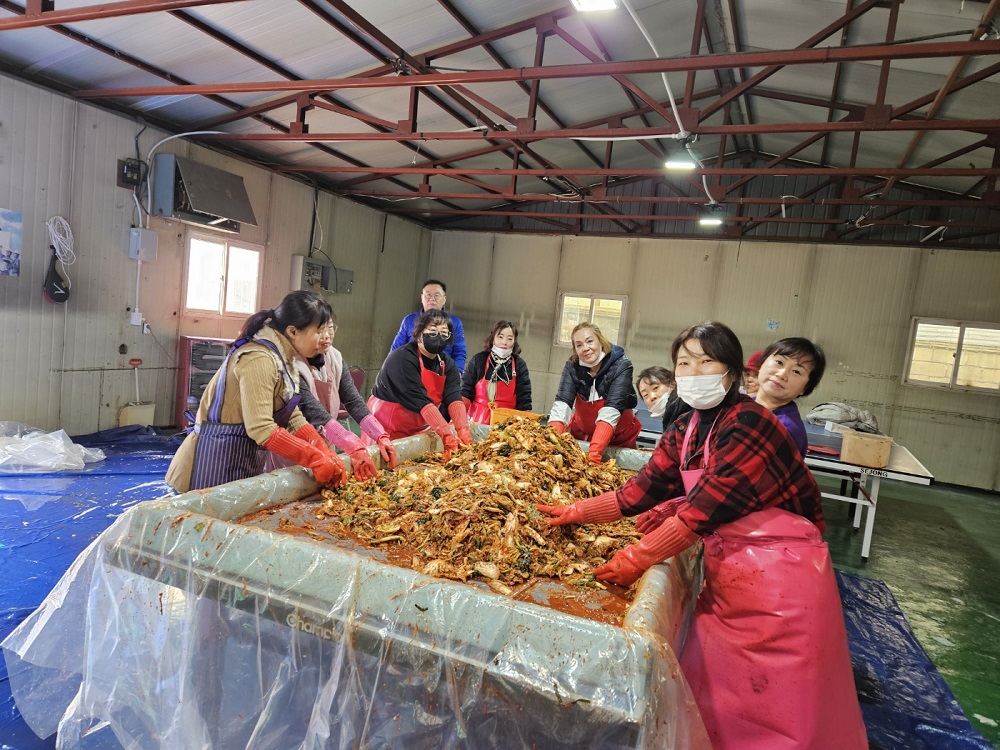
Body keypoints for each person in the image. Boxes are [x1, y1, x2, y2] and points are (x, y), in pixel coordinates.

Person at [537, 322, 866, 750]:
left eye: (706, 362)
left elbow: (700, 512)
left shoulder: (750, 422)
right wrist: (579, 511)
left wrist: (637, 557)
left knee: (784, 710)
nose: (693, 373)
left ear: (732, 372)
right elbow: (640, 490)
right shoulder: (687, 428)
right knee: (723, 695)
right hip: (733, 569)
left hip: (785, 582)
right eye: (684, 363)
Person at [166, 291, 346, 493]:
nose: (325, 338)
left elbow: (291, 415)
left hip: (238, 460)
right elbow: (262, 428)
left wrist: (319, 446)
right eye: (319, 331)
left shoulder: (282, 358)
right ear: (293, 331)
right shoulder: (260, 358)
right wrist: (314, 458)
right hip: (207, 465)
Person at [294, 312, 398, 480]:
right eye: (319, 330)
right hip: (296, 446)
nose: (326, 336)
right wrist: (352, 444)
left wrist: (380, 435)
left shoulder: (334, 357)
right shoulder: (291, 364)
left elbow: (353, 400)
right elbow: (313, 411)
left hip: (328, 439)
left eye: (330, 328)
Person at [368, 309, 473, 458]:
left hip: (418, 427)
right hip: (386, 427)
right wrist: (447, 435)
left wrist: (463, 430)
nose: (439, 336)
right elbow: (420, 400)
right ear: (419, 333)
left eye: (444, 333)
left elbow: (454, 397)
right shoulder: (403, 358)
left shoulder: (446, 364)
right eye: (432, 330)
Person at [547, 322, 639, 464]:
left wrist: (594, 453)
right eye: (579, 345)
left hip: (618, 439)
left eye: (590, 341)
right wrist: (549, 445)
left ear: (600, 341)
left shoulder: (622, 365)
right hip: (581, 435)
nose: (585, 348)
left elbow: (612, 408)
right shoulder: (572, 366)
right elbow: (562, 403)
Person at [752, 337, 826, 456]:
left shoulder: (784, 430)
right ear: (761, 364)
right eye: (779, 362)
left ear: (805, 388)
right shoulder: (744, 404)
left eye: (796, 371)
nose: (781, 374)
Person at [461, 320, 533, 424]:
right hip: (475, 423)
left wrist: (526, 425)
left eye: (509, 339)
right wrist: (457, 419)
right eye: (500, 337)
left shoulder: (519, 365)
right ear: (493, 338)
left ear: (514, 342)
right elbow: (465, 393)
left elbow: (524, 400)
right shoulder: (479, 360)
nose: (504, 342)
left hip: (506, 425)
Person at [389, 279, 467, 372]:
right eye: (428, 295)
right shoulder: (409, 320)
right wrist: (391, 368)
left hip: (442, 371)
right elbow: (396, 348)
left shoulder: (455, 322)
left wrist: (457, 372)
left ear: (444, 299)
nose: (432, 298)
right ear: (422, 298)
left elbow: (459, 351)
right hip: (411, 369)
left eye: (436, 295)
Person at [635, 366, 688, 432]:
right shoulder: (669, 417)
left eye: (655, 388)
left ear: (672, 383)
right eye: (645, 395)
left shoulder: (686, 411)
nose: (652, 397)